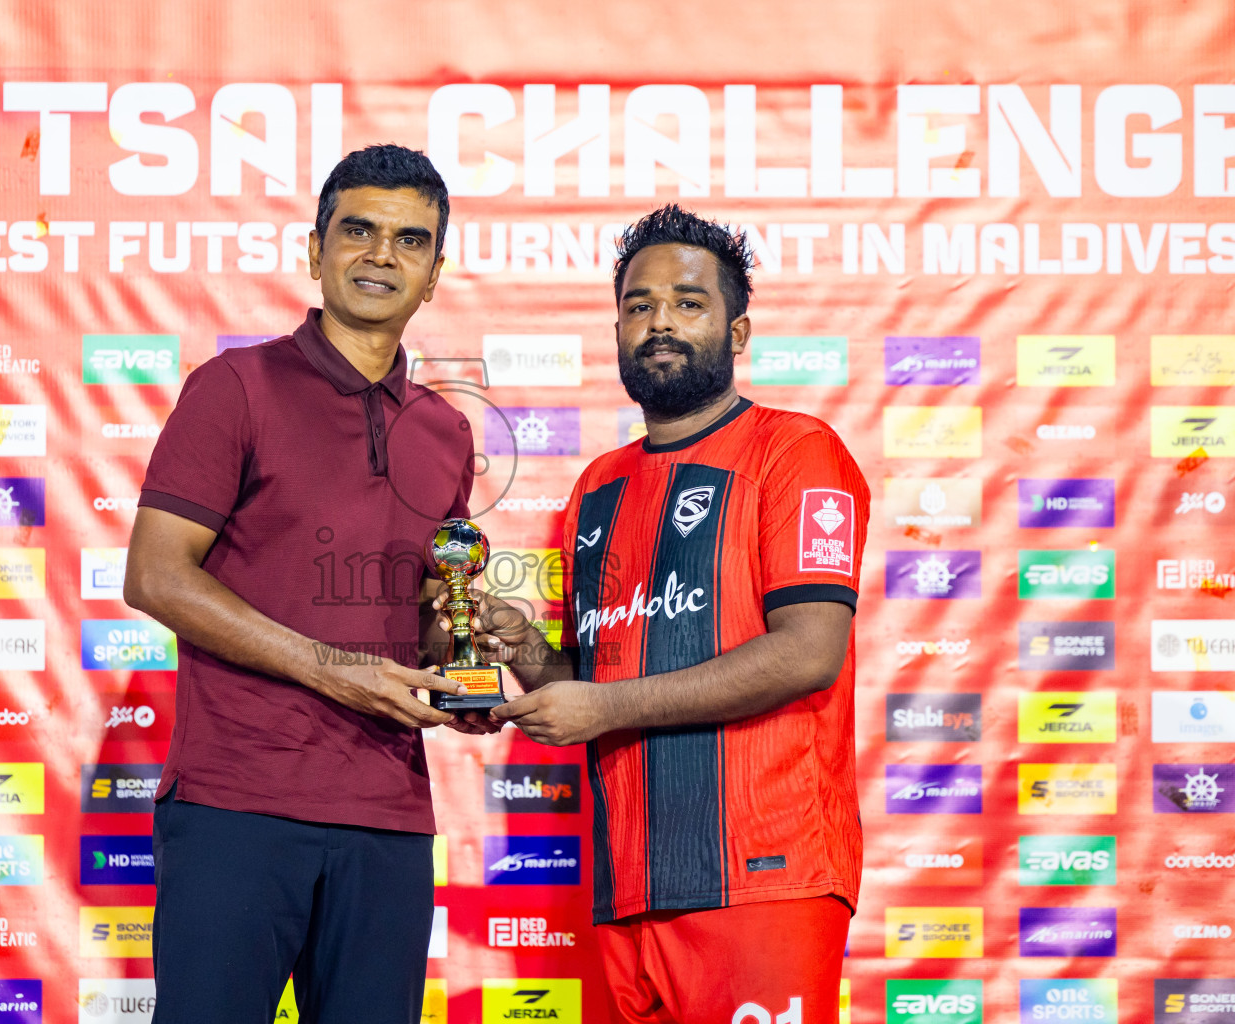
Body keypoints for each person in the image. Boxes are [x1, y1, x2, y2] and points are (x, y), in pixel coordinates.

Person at [463, 204, 869, 1024]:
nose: (660, 323)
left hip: (764, 879)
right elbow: (596, 679)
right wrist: (525, 650)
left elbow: (806, 654)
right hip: (628, 886)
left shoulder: (795, 450)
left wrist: (601, 706)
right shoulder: (597, 486)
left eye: (688, 303)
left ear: (739, 328)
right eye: (639, 305)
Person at [124, 144, 482, 1024]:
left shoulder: (446, 431)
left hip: (390, 816)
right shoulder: (234, 388)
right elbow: (155, 575)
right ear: (314, 249)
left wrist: (458, 634)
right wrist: (331, 667)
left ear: (435, 274)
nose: (380, 255)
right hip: (239, 807)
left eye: (409, 241)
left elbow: (429, 632)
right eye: (357, 231)